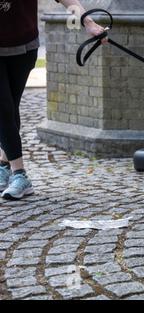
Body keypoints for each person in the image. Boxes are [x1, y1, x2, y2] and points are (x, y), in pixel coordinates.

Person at [0, 0, 105, 200]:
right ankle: (20, 175)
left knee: (10, 108)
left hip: (23, 46)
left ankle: (4, 166)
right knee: (3, 109)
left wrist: (88, 22)